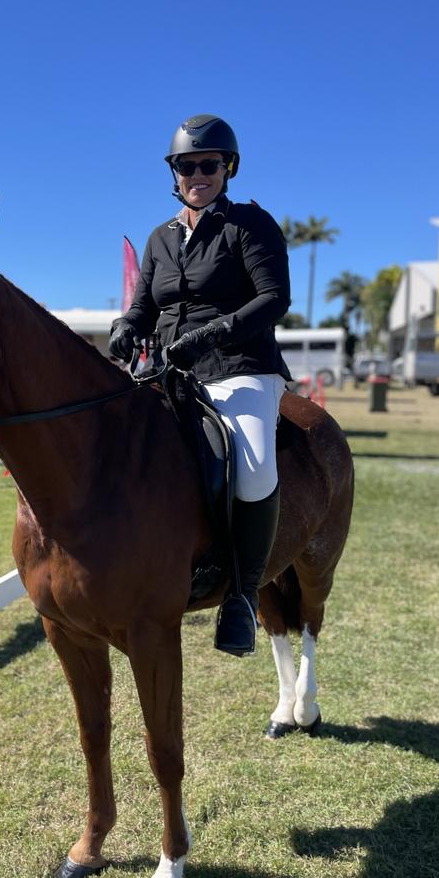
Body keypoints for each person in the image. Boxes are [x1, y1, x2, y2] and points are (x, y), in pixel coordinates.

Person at [109, 114, 292, 657]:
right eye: (187, 166)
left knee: (255, 470)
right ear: (175, 172)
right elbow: (143, 308)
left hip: (242, 368)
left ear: (227, 168)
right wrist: (125, 329)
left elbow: (273, 299)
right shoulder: (159, 238)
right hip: (167, 373)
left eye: (208, 164)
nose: (197, 174)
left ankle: (239, 594)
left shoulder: (250, 226)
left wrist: (209, 336)